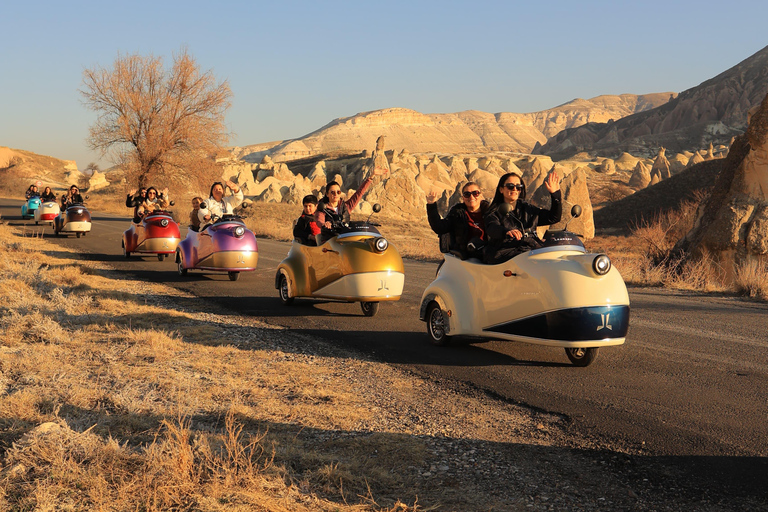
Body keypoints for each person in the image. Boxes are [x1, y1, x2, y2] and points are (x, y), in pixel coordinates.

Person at [483, 171, 562, 264]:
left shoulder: (528, 209)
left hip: (530, 250)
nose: (515, 189)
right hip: (505, 253)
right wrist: (506, 232)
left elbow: (553, 218)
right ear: (501, 189)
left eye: (518, 187)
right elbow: (492, 228)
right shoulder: (494, 212)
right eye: (510, 186)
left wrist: (555, 196)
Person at [314, 166, 388, 244]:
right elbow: (319, 220)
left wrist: (371, 176)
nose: (336, 194)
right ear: (327, 194)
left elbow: (359, 193)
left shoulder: (346, 206)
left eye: (338, 192)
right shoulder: (322, 208)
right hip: (330, 241)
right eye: (332, 192)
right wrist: (324, 224)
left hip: (345, 238)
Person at [426, 182, 489, 260]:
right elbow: (439, 227)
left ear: (481, 195)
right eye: (467, 194)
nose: (471, 197)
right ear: (463, 198)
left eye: (475, 193)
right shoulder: (457, 214)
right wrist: (431, 205)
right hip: (466, 257)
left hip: (489, 256)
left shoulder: (491, 213)